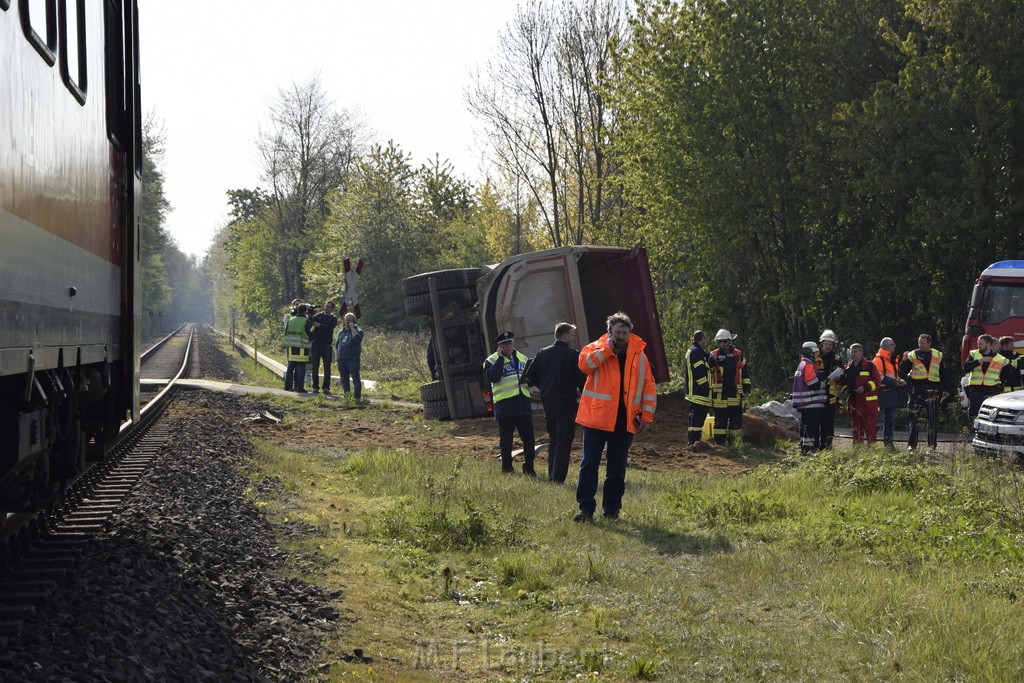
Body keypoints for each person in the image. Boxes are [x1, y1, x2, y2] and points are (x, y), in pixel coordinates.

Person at [573, 312, 657, 522]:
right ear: (609, 332)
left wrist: (646, 416)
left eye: (625, 333)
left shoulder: (640, 356)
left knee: (616, 469)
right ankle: (585, 509)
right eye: (617, 332)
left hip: (624, 421)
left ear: (630, 334)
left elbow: (648, 386)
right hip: (596, 419)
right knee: (589, 464)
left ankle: (611, 511)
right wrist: (607, 350)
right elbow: (584, 366)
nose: (621, 336)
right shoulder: (595, 348)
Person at [524, 322, 586, 483]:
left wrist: (544, 386)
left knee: (553, 438)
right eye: (572, 335)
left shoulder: (542, 353)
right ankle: (558, 478)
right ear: (564, 336)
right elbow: (582, 381)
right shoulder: (572, 355)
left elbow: (529, 377)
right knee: (564, 439)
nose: (573, 338)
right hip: (565, 402)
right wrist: (586, 396)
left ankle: (552, 474)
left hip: (548, 402)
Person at [483, 331, 536, 475]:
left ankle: (529, 468)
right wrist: (500, 359)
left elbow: (530, 381)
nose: (509, 346)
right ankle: (507, 469)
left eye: (510, 343)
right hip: (505, 406)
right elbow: (493, 377)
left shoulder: (523, 358)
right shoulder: (491, 361)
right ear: (499, 347)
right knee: (506, 441)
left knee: (529, 439)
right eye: (505, 344)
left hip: (523, 404)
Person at [900, 333, 949, 449]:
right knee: (913, 417)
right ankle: (912, 445)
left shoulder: (938, 355)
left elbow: (943, 373)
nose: (920, 345)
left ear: (929, 343)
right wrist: (904, 360)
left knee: (932, 418)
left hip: (933, 389)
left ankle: (932, 445)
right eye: (919, 343)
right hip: (917, 389)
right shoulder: (913, 355)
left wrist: (947, 389)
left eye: (923, 343)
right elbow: (902, 373)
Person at [709, 329, 749, 445]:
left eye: (725, 341)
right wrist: (711, 362)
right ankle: (719, 444)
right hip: (720, 395)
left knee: (736, 420)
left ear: (730, 341)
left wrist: (746, 389)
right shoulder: (714, 355)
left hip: (735, 394)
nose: (723, 344)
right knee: (720, 421)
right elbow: (709, 372)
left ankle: (734, 444)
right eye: (720, 341)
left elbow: (745, 373)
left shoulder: (738, 354)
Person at [963, 334, 1013, 420]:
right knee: (974, 417)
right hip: (976, 391)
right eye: (978, 343)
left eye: (981, 344)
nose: (978, 346)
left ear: (989, 345)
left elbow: (1007, 375)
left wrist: (1000, 385)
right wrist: (980, 361)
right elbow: (965, 367)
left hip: (991, 392)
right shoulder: (974, 354)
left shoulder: (1001, 359)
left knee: (990, 417)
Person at [842, 343, 881, 444]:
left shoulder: (870, 366)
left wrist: (864, 387)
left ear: (861, 353)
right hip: (854, 402)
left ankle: (872, 452)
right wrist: (846, 389)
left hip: (867, 404)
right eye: (852, 352)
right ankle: (857, 451)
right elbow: (843, 383)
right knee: (856, 431)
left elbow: (877, 381)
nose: (853, 354)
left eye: (855, 351)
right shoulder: (847, 367)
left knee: (870, 430)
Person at [793, 341, 827, 454]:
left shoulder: (802, 364)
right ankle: (810, 449)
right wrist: (823, 382)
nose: (817, 355)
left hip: (804, 403)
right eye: (816, 352)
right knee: (812, 427)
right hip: (810, 403)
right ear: (810, 353)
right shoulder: (809, 365)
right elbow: (812, 383)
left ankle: (804, 448)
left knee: (805, 426)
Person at [871, 337, 905, 448]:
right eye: (892, 344)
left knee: (890, 421)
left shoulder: (890, 359)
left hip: (890, 393)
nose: (894, 346)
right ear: (886, 346)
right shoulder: (878, 360)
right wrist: (894, 382)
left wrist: (899, 380)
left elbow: (891, 374)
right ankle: (870, 442)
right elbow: (878, 377)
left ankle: (889, 444)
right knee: (878, 420)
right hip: (881, 393)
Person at [684, 330, 713, 445]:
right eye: (705, 338)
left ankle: (693, 440)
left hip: (695, 391)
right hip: (698, 392)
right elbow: (699, 371)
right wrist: (706, 386)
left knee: (695, 416)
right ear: (702, 338)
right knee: (698, 417)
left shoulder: (694, 350)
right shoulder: (696, 352)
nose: (706, 341)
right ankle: (694, 441)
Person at [816, 330, 843, 449]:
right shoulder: (815, 357)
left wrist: (839, 377)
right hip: (817, 393)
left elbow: (842, 374)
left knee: (829, 422)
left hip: (830, 396)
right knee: (817, 420)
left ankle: (827, 446)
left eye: (830, 345)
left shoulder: (836, 358)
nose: (828, 347)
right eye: (826, 344)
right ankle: (816, 445)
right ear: (821, 343)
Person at [306, 300, 338, 394]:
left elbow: (329, 328)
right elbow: (310, 323)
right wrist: (310, 315)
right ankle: (315, 387)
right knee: (314, 366)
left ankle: (326, 387)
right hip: (316, 343)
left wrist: (320, 325)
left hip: (327, 344)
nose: (327, 308)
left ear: (332, 309)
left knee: (327, 367)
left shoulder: (333, 319)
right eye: (326, 306)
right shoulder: (318, 316)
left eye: (329, 307)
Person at [335, 312, 365, 400]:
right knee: (344, 380)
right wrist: (337, 356)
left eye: (350, 320)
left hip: (353, 359)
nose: (347, 322)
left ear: (354, 321)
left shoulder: (358, 330)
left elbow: (357, 339)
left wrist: (352, 328)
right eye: (346, 320)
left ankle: (357, 397)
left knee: (355, 378)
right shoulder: (341, 332)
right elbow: (337, 345)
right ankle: (347, 397)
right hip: (342, 359)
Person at [283, 304, 311, 393]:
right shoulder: (307, 321)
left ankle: (288, 386)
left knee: (290, 367)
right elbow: (310, 334)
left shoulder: (291, 320)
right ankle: (299, 387)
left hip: (291, 347)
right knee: (301, 368)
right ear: (305, 311)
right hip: (302, 348)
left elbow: (285, 331)